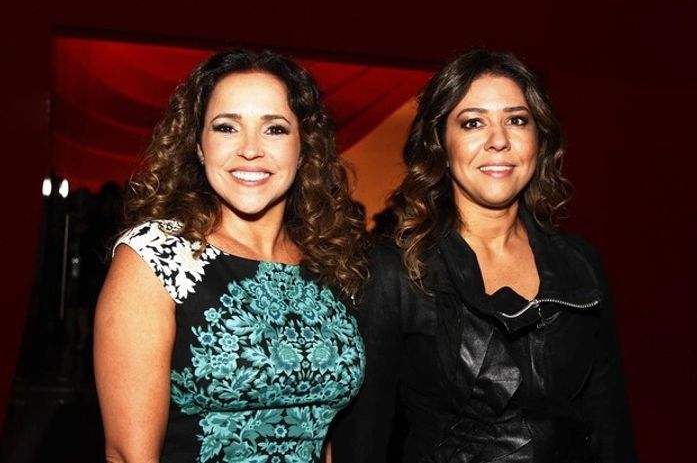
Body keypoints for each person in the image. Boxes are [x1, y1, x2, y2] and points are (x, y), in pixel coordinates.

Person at [331, 49, 636, 463]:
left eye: (517, 120)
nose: (498, 140)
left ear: (539, 139)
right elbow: (362, 443)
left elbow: (610, 425)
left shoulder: (580, 263)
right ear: (440, 144)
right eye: (473, 122)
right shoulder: (396, 270)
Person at [94, 49, 369, 463]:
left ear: (303, 148)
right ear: (199, 146)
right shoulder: (155, 257)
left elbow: (325, 429)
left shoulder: (328, 261)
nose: (250, 150)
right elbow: (127, 455)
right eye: (227, 127)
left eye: (274, 129)